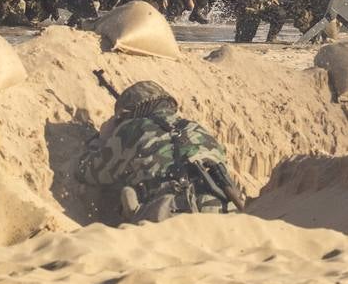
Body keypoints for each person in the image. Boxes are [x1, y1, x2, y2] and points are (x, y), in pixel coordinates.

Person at [78, 80, 244, 222]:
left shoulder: (132, 129)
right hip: (225, 214)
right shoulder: (197, 128)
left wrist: (101, 139)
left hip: (171, 217)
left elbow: (87, 171)